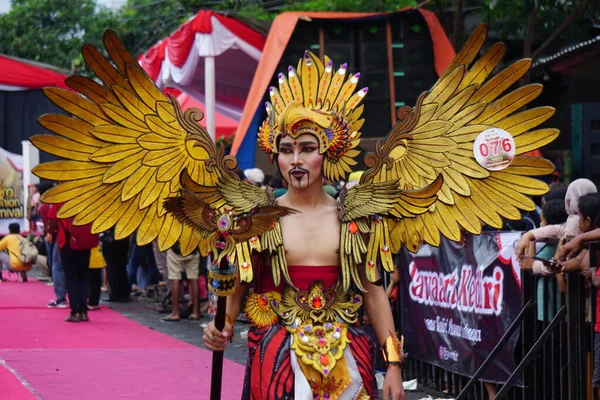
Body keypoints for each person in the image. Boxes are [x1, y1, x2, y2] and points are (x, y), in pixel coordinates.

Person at [161, 243, 200, 322]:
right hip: (192, 247)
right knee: (194, 278)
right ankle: (196, 312)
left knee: (175, 278)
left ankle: (175, 312)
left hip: (175, 248)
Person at [88, 245, 106, 311]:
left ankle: (91, 303)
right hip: (97, 256)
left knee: (92, 282)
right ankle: (95, 303)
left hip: (91, 258)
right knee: (96, 282)